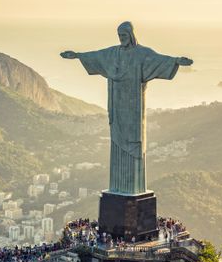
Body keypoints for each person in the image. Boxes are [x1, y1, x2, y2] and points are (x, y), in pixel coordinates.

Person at [61, 21, 193, 195]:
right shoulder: (113, 53)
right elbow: (95, 56)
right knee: (117, 140)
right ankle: (118, 187)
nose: (121, 39)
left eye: (124, 35)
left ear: (131, 35)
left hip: (134, 110)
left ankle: (132, 187)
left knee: (134, 142)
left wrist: (176, 61)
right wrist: (77, 55)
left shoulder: (142, 54)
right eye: (119, 36)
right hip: (117, 106)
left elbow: (159, 60)